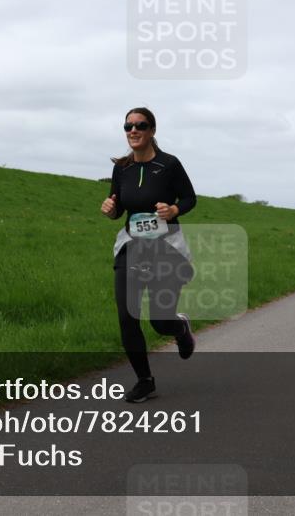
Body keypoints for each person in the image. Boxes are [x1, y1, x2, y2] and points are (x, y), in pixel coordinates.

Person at [100, 107, 197, 403]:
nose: (133, 130)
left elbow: (190, 197)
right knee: (127, 316)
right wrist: (111, 209)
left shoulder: (169, 165)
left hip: (166, 249)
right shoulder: (122, 168)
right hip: (131, 246)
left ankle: (179, 327)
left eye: (140, 125)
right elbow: (118, 207)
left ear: (152, 130)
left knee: (158, 320)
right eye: (128, 126)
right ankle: (144, 381)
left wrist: (174, 209)